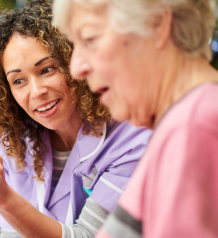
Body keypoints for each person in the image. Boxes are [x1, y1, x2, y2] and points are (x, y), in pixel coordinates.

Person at [0, 1, 151, 238]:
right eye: (18, 81)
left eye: (47, 69)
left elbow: (88, 235)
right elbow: (12, 234)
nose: (36, 92)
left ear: (75, 61)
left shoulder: (131, 137)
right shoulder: (11, 141)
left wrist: (4, 197)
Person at [52, 0, 218, 237]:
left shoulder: (194, 127)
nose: (76, 68)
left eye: (90, 39)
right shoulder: (182, 123)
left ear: (157, 24)